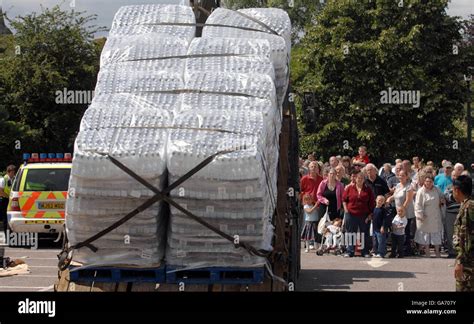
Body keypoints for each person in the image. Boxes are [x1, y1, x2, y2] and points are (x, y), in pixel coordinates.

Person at [342, 170, 375, 258]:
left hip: (364, 214)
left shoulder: (368, 189)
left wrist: (370, 214)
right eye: (358, 178)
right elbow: (344, 200)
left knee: (364, 233)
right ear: (355, 179)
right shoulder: (349, 188)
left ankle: (365, 252)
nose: (360, 179)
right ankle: (350, 251)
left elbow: (372, 203)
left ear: (364, 179)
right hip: (351, 214)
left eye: (361, 178)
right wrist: (346, 211)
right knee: (350, 233)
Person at [386, 170, 416, 255]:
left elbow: (408, 200)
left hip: (406, 212)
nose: (401, 177)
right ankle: (398, 249)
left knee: (405, 231)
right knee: (397, 230)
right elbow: (395, 196)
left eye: (403, 175)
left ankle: (406, 250)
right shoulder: (398, 185)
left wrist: (402, 209)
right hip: (398, 211)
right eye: (399, 175)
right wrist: (389, 199)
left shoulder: (409, 187)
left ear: (407, 177)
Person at [452, 175, 474, 291]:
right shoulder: (467, 205)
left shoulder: (468, 207)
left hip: (468, 262)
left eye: (453, 190)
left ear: (457, 190)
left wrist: (460, 261)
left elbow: (464, 235)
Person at [415, 175, 444, 258]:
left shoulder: (437, 189)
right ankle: (427, 252)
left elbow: (442, 197)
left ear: (433, 182)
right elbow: (418, 204)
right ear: (424, 182)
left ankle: (437, 252)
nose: (428, 183)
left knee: (436, 233)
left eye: (430, 182)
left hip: (435, 215)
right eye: (427, 181)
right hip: (426, 215)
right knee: (425, 234)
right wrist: (420, 214)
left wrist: (442, 201)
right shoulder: (421, 191)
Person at [444, 164, 464, 258]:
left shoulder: (463, 186)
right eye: (453, 176)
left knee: (461, 232)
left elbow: (463, 198)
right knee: (450, 232)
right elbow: (447, 197)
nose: (455, 177)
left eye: (456, 176)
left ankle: (461, 251)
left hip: (461, 211)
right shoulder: (449, 187)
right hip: (450, 212)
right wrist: (453, 195)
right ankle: (451, 252)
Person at [0, 165, 16, 238]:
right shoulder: (3, 179)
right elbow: (0, 192)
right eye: (12, 172)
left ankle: (13, 235)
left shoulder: (15, 178)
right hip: (5, 200)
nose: (13, 174)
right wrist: (8, 196)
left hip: (12, 200)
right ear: (8, 172)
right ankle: (7, 236)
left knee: (12, 217)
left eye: (13, 172)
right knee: (5, 218)